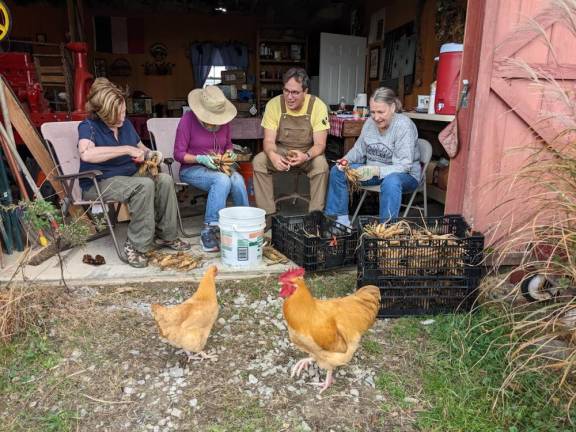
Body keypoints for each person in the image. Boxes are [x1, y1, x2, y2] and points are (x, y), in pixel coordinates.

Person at [78, 78, 190, 268]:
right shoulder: (88, 127)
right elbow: (87, 154)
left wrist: (150, 154)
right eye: (118, 113)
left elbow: (141, 148)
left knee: (164, 179)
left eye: (123, 111)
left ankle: (166, 236)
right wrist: (126, 150)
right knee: (144, 185)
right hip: (99, 182)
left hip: (129, 178)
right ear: (105, 112)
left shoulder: (126, 125)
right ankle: (136, 246)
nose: (123, 116)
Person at [325, 87, 420, 225]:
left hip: (405, 175)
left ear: (392, 107)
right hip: (373, 171)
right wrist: (345, 160)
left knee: (391, 182)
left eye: (381, 112)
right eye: (373, 112)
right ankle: (340, 223)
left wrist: (376, 171)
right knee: (337, 171)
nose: (376, 117)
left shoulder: (403, 126)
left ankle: (386, 232)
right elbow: (359, 150)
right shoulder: (370, 123)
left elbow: (404, 166)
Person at [173, 85, 249, 252]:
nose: (215, 122)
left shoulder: (224, 122)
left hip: (219, 167)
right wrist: (200, 158)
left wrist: (229, 153)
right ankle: (210, 229)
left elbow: (228, 144)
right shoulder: (188, 120)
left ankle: (245, 224)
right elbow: (178, 154)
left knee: (237, 179)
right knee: (221, 180)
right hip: (191, 169)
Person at [252, 67, 330, 227]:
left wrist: (306, 156)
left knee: (321, 165)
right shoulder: (274, 105)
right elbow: (268, 141)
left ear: (305, 91)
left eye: (295, 92)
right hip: (282, 151)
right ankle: (268, 215)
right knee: (259, 161)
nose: (289, 97)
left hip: (308, 153)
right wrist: (273, 156)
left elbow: (320, 145)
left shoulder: (318, 106)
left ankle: (315, 217)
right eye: (286, 91)